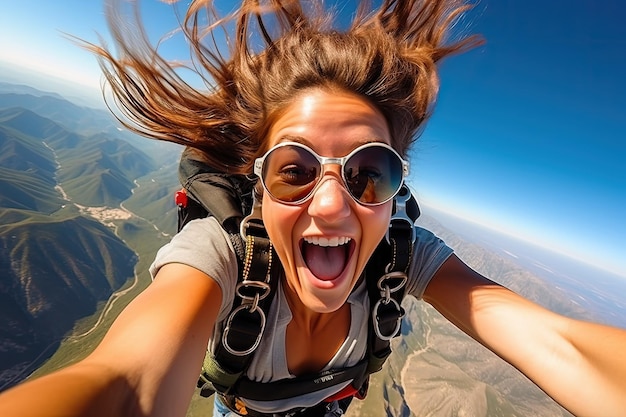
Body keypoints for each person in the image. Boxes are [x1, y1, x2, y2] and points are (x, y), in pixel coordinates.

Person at [1, 0, 625, 416]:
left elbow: (562, 346)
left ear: (396, 192)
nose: (331, 206)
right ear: (259, 182)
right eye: (294, 171)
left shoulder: (404, 254)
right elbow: (127, 383)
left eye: (369, 175)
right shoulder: (220, 256)